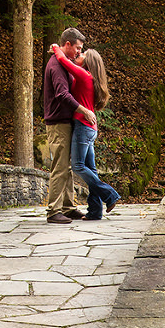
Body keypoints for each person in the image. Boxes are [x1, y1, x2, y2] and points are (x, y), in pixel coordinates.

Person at [50, 42, 120, 221]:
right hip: (90, 128)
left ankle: (110, 195)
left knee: (78, 166)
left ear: (87, 63)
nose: (78, 56)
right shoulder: (90, 78)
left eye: (82, 55)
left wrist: (57, 48)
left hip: (83, 127)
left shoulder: (82, 74)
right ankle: (95, 211)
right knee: (91, 169)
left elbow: (62, 61)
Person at [43, 28, 97, 225]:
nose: (78, 52)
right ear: (67, 45)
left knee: (66, 166)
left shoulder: (63, 63)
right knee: (59, 166)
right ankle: (53, 211)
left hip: (65, 121)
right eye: (77, 48)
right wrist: (84, 110)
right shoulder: (56, 66)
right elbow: (62, 95)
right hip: (57, 122)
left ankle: (67, 207)